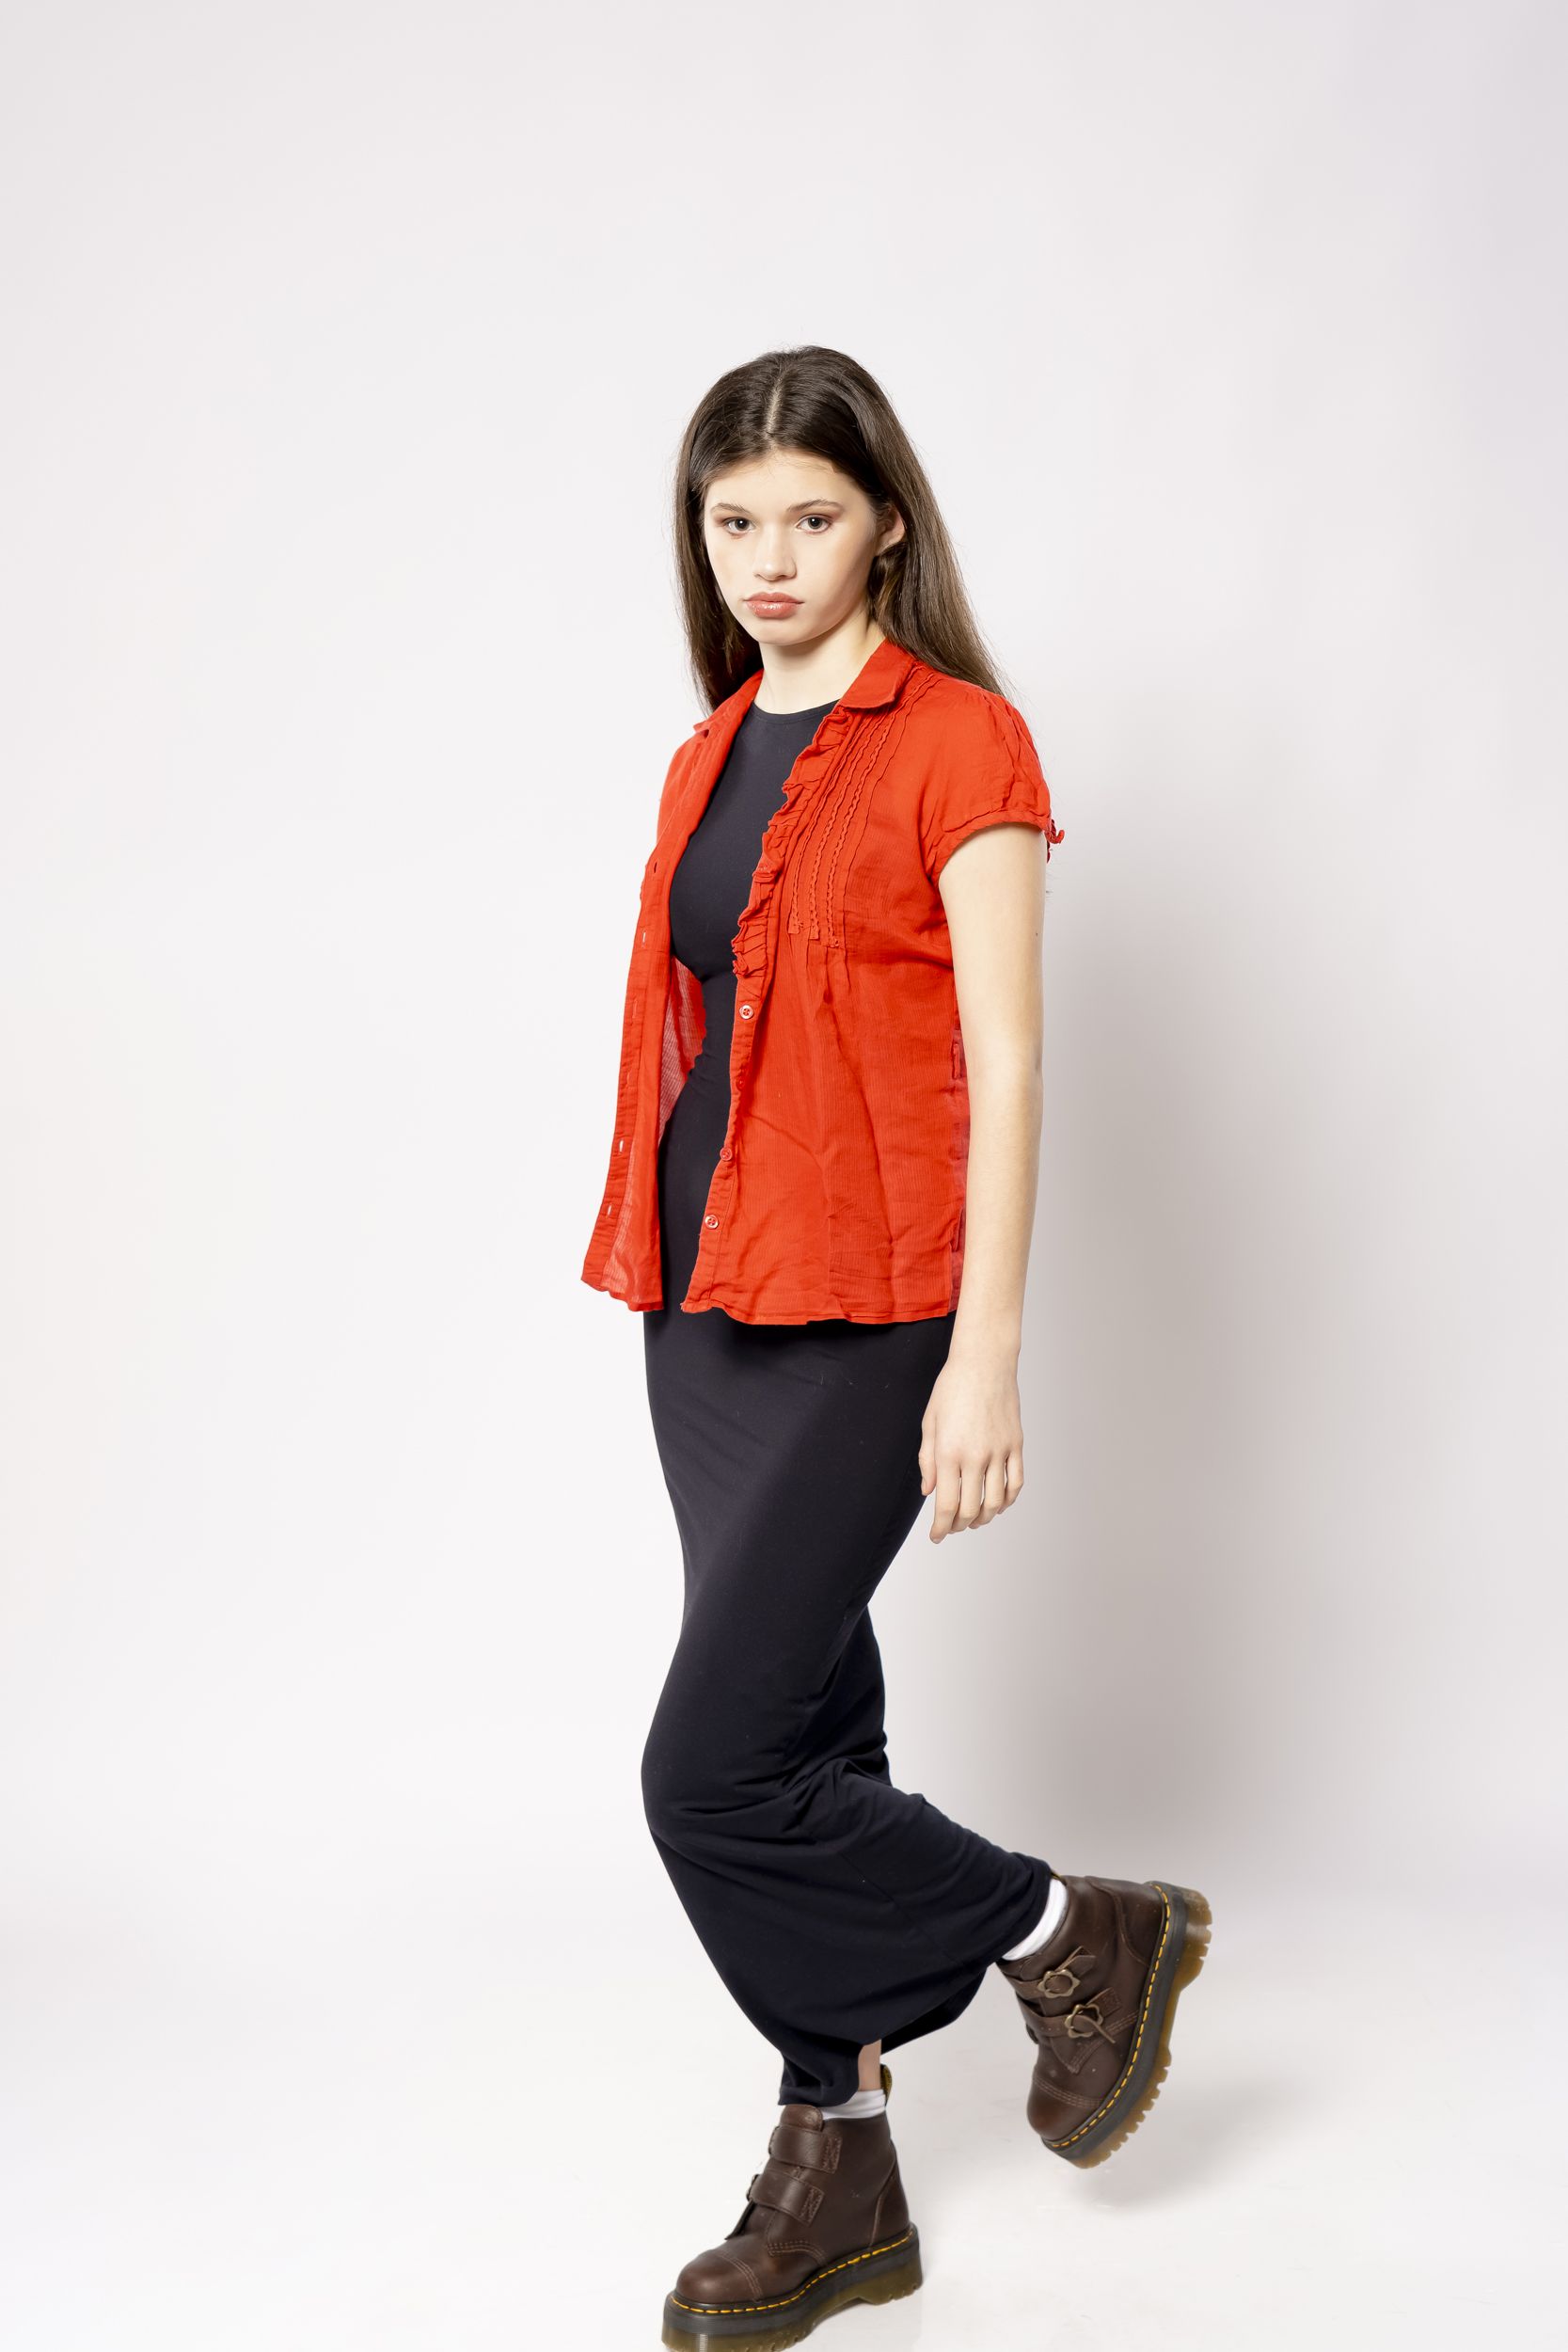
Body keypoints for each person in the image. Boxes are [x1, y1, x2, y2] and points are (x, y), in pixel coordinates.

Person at [580, 345, 1212, 2352]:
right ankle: (838, 2158)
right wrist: (672, 1271)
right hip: (705, 1307)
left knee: (706, 1775)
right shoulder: (705, 756)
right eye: (732, 520)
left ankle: (1074, 1929)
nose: (769, 558)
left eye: (811, 516)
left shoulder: (963, 742)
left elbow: (1010, 1062)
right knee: (798, 1737)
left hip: (874, 1312)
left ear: (888, 528)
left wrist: (983, 1353)